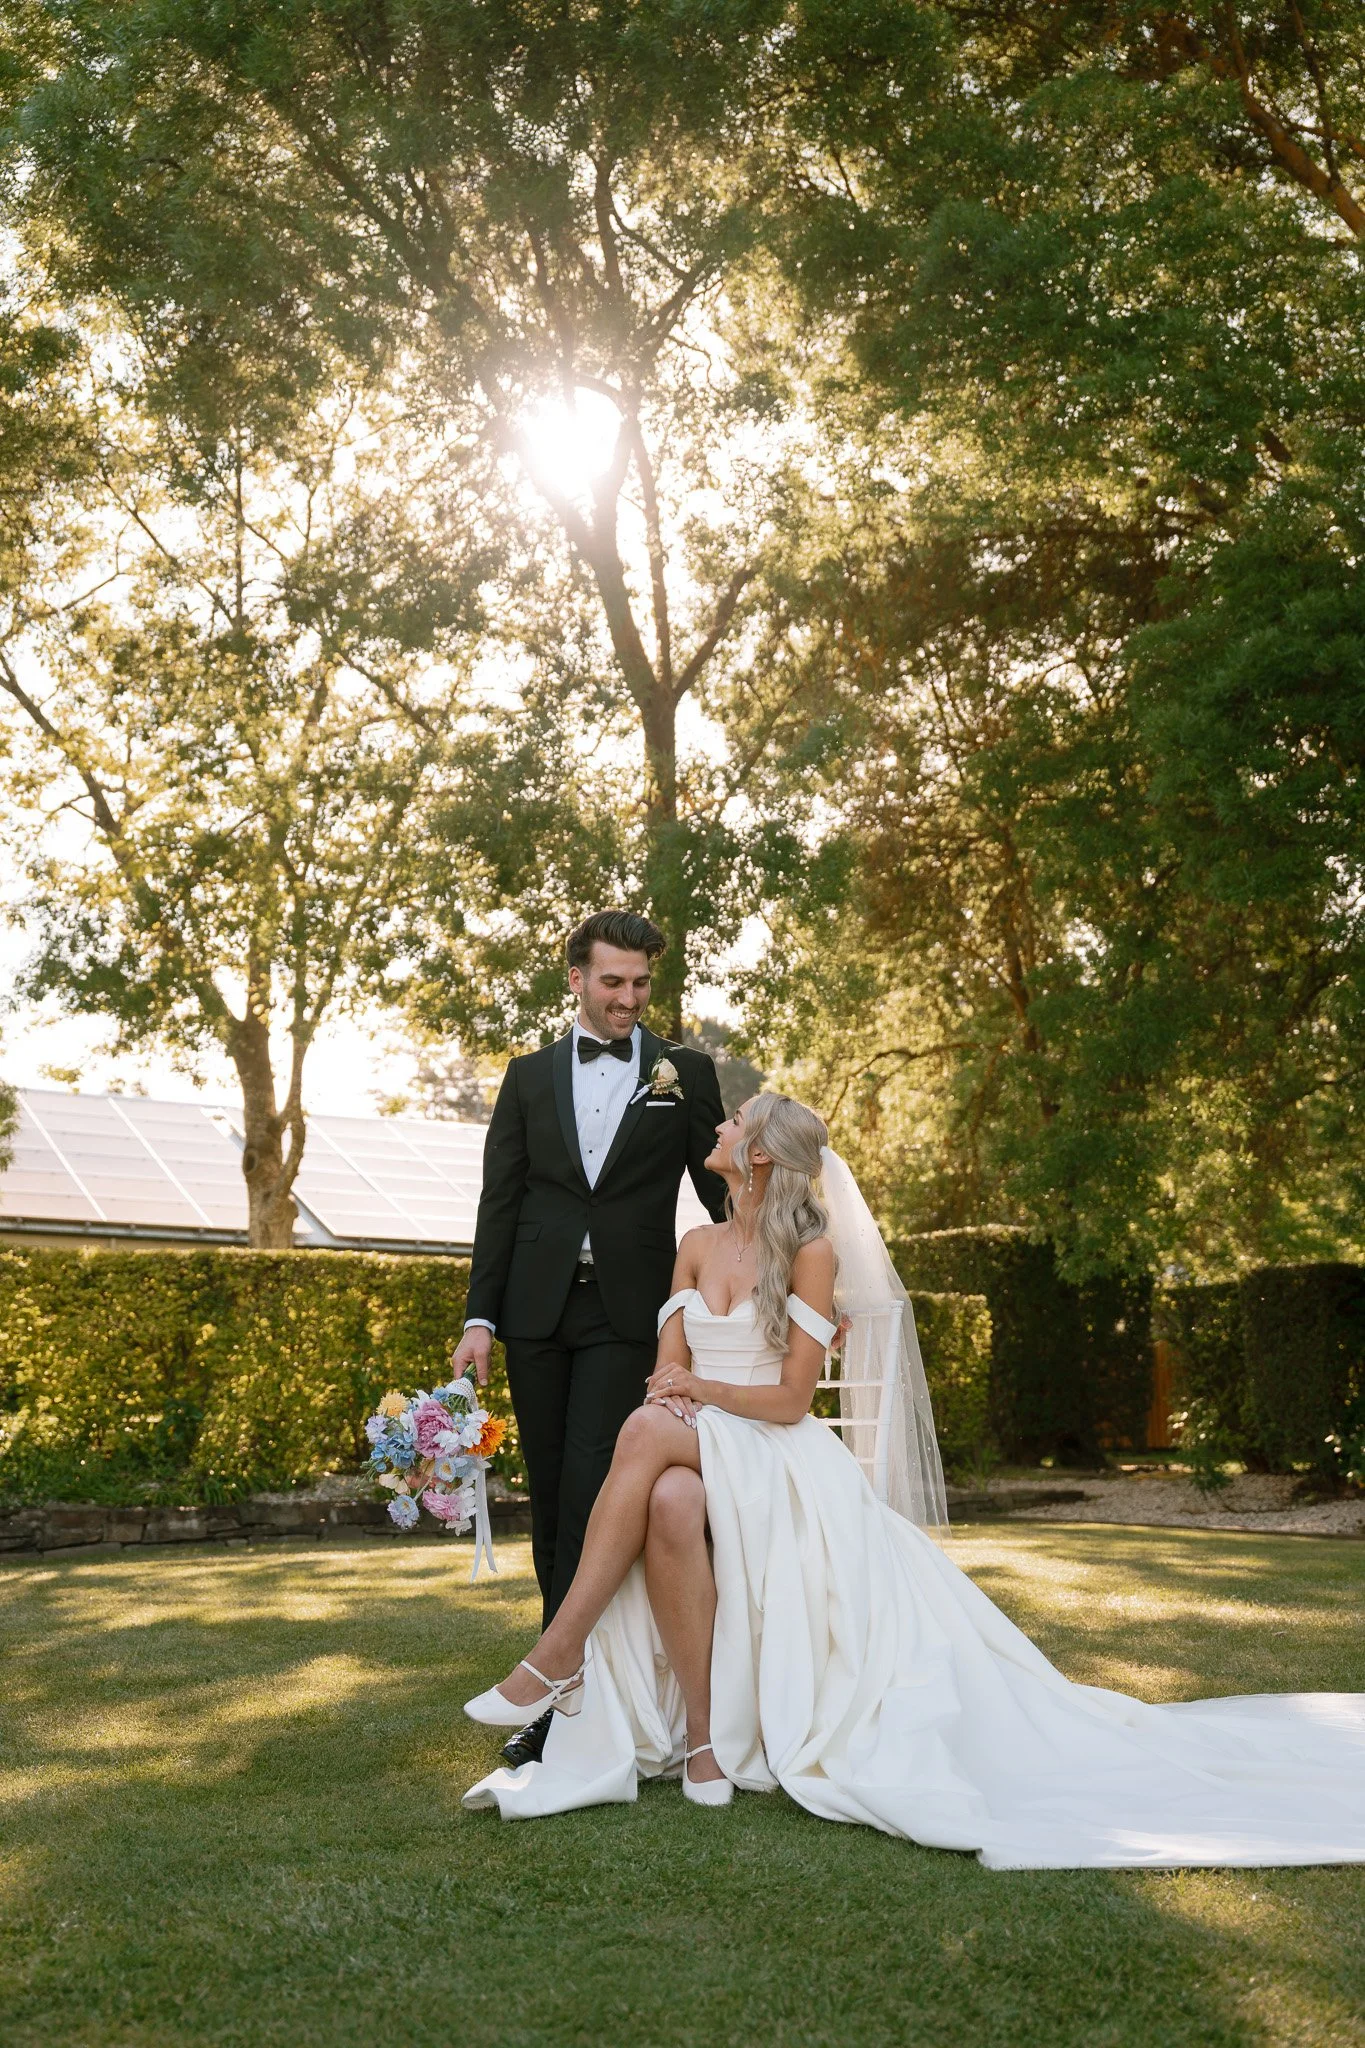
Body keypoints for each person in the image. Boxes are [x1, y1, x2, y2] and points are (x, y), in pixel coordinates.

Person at [463, 1092, 1365, 1869]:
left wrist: (689, 1394)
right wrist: (680, 1391)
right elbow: (667, 1363)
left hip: (776, 1452)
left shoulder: (808, 1253)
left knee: (643, 1435)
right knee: (666, 1491)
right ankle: (700, 1741)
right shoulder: (695, 1243)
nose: (720, 1123)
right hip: (691, 1435)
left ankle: (561, 1652)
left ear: (759, 1154)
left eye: (734, 1120)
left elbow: (785, 1401)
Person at [450, 909, 727, 1768]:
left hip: (626, 1312)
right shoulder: (527, 1076)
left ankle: (557, 1693)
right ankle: (565, 1677)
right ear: (575, 978)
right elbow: (501, 1202)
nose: (627, 999)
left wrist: (770, 1271)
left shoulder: (684, 1071)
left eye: (641, 984)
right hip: (534, 1310)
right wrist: (478, 1317)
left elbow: (719, 1193)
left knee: (588, 1490)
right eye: (612, 982)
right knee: (549, 1499)